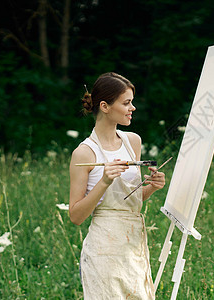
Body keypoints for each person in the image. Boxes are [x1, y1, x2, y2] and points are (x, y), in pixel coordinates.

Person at [69, 72, 165, 299]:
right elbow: (75, 216)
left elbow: (131, 198)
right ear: (104, 106)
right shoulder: (84, 153)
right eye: (127, 103)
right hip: (103, 252)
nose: (133, 108)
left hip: (134, 247)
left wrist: (152, 186)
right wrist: (103, 181)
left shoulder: (133, 141)